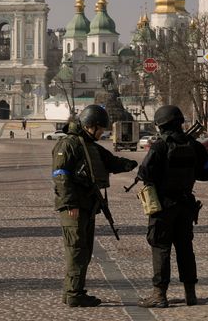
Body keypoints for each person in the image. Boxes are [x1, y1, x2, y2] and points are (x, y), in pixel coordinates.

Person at [52, 105, 138, 307]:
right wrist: (69, 203)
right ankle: (74, 293)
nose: (102, 133)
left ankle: (72, 292)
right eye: (100, 129)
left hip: (87, 206)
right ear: (90, 126)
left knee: (84, 250)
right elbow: (60, 176)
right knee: (77, 251)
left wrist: (133, 165)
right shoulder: (68, 145)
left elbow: (112, 162)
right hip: (74, 207)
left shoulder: (90, 145)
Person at [137, 105, 208, 308]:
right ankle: (190, 294)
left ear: (162, 125)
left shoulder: (160, 146)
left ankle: (159, 295)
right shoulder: (195, 146)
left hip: (163, 206)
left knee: (160, 247)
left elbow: (145, 172)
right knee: (185, 249)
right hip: (186, 205)